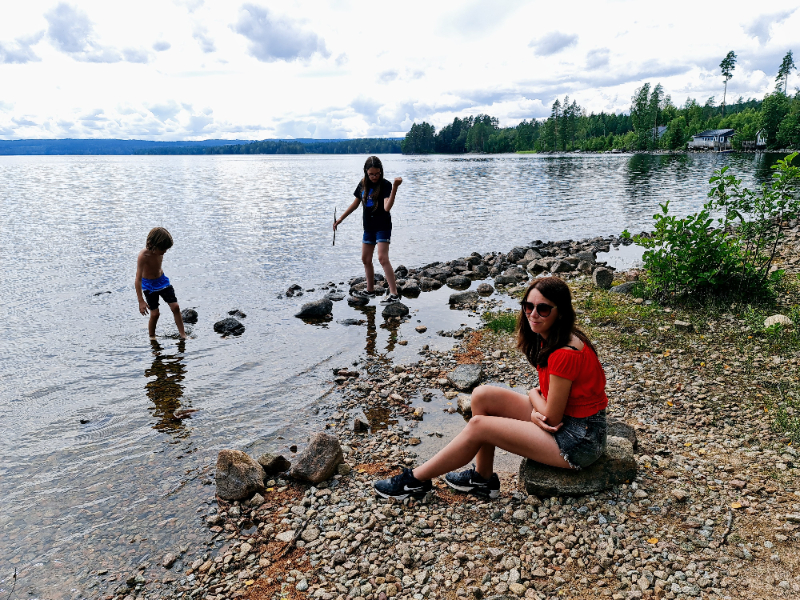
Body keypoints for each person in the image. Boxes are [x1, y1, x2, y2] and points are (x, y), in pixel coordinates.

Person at [373, 276, 608, 499]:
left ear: (561, 313)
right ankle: (482, 478)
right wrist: (537, 405)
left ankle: (414, 481)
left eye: (543, 309)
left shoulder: (565, 352)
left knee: (479, 425)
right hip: (569, 422)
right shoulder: (554, 335)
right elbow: (552, 404)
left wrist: (533, 395)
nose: (533, 314)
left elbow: (551, 417)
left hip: (579, 441)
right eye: (528, 306)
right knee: (482, 395)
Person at [333, 156, 403, 305]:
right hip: (368, 227)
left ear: (381, 171)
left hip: (383, 226)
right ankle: (370, 290)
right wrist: (340, 219)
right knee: (365, 259)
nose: (374, 177)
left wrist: (395, 188)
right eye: (371, 174)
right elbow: (355, 204)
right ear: (366, 172)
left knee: (382, 258)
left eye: (377, 173)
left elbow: (386, 207)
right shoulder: (363, 184)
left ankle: (394, 294)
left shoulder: (386, 185)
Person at [135, 227, 187, 340]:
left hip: (162, 281)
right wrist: (141, 301)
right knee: (155, 314)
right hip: (149, 286)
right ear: (154, 245)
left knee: (176, 307)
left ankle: (183, 335)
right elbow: (138, 279)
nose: (165, 252)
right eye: (163, 249)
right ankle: (152, 337)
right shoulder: (143, 256)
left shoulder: (160, 251)